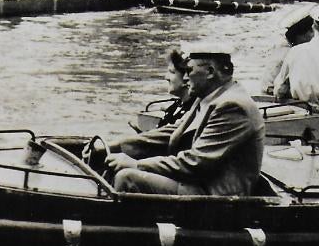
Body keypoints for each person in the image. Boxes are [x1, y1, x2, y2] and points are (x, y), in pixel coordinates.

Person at [105, 43, 264, 196]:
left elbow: (196, 162)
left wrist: (137, 164)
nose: (186, 78)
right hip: (199, 185)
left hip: (215, 196)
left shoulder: (232, 106)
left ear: (209, 71)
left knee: (127, 178)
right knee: (121, 170)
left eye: (189, 71)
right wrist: (117, 146)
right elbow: (172, 133)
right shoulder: (209, 97)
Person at [261, 5, 315, 95]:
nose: (313, 35)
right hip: (272, 93)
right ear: (300, 34)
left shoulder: (284, 46)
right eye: (310, 31)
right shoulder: (287, 52)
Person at [157, 48, 195, 128]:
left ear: (187, 78)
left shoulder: (191, 111)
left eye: (172, 72)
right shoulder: (177, 105)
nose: (166, 77)